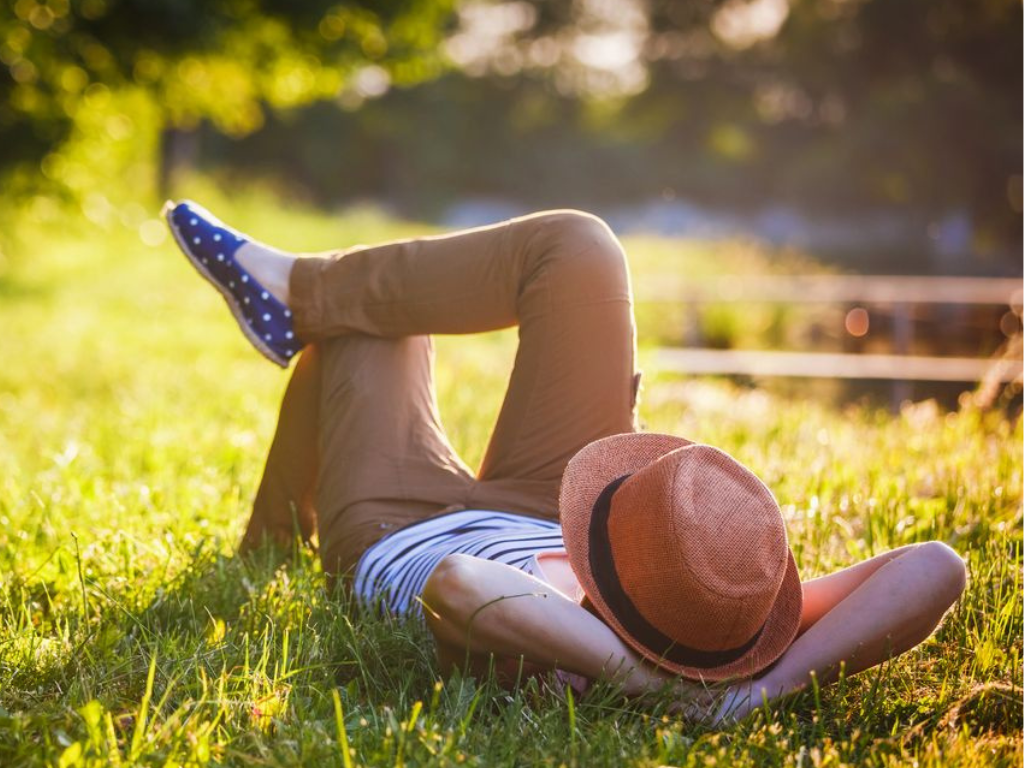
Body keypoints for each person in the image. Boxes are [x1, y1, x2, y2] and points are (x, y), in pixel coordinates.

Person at [164, 200, 968, 723]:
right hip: (572, 513)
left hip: (396, 521)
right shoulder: (728, 626)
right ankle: (300, 290)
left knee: (373, 321)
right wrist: (759, 692)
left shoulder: (563, 662)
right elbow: (936, 566)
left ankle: (271, 520)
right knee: (579, 246)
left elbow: (460, 582)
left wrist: (660, 690)